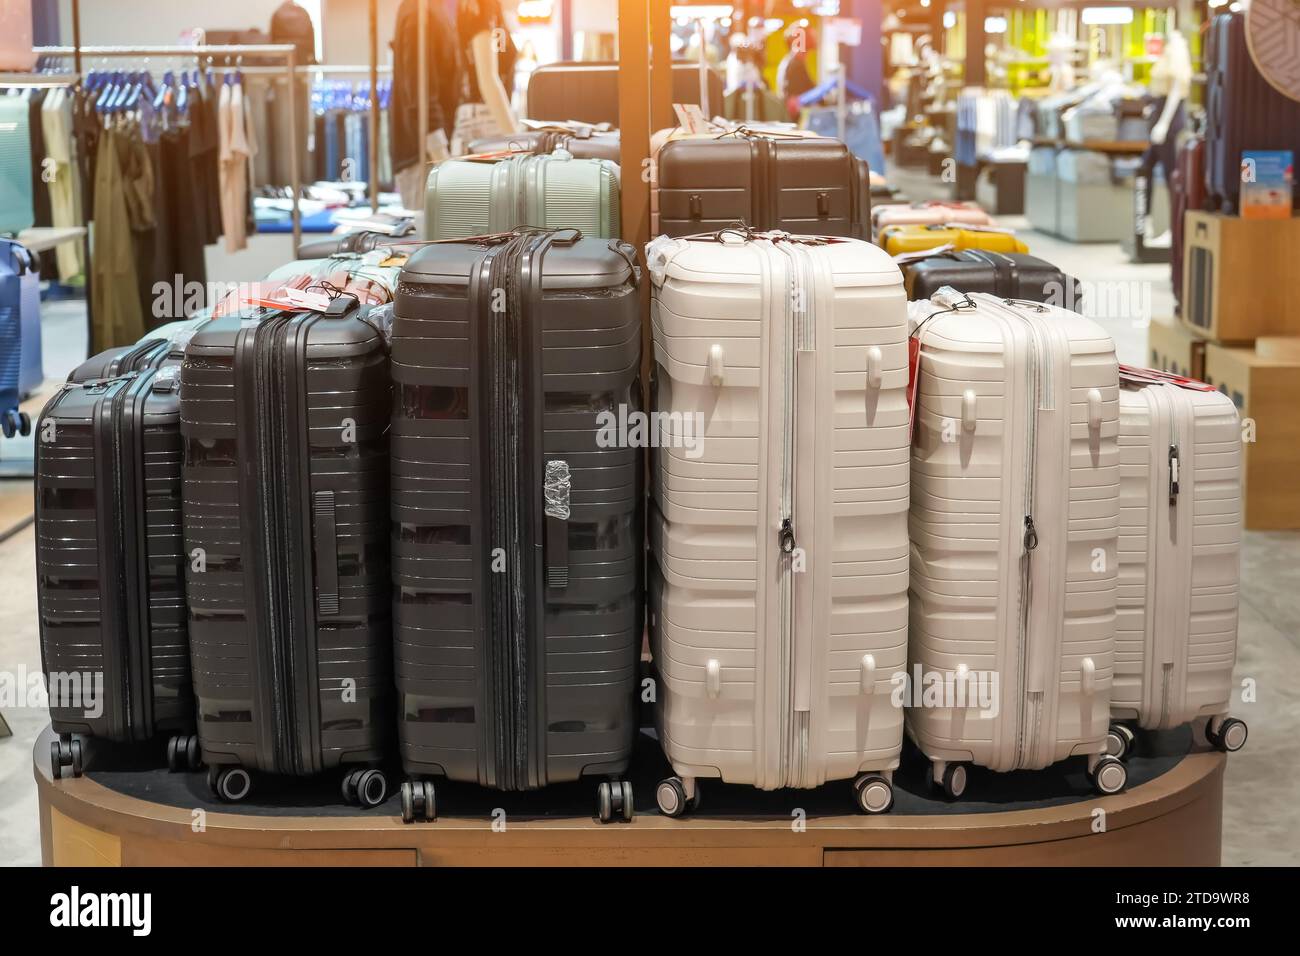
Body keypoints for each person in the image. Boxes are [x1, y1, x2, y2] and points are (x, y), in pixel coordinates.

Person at [451, 0, 520, 155]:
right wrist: (518, 143)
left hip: (482, 118)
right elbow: (488, 80)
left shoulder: (487, 8)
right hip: (484, 120)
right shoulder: (483, 5)